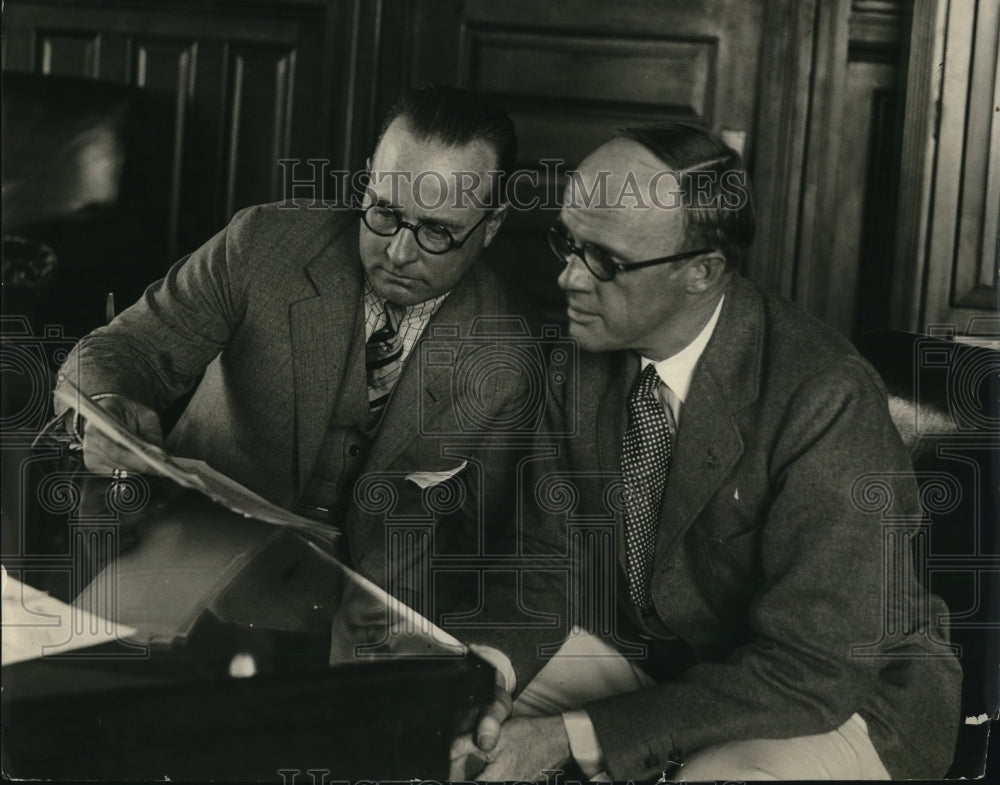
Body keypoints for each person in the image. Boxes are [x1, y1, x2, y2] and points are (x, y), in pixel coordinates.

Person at [451, 122, 963, 780]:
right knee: (445, 714)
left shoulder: (825, 395)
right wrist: (488, 673)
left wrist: (566, 737)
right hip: (668, 662)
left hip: (846, 695)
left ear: (702, 272)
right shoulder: (574, 362)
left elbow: (812, 668)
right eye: (567, 242)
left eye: (603, 260)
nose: (567, 277)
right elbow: (548, 562)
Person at [55, 84, 566, 695]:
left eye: (437, 232)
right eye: (383, 212)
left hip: (369, 619)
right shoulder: (263, 246)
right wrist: (106, 408)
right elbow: (119, 351)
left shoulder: (511, 352)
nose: (399, 253)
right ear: (367, 181)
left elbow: (495, 545)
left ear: (491, 226)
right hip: (190, 554)